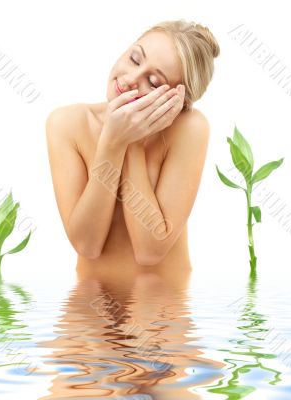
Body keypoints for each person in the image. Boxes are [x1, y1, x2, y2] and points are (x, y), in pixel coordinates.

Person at [45, 19, 220, 274]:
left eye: (153, 81)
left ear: (176, 102)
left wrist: (133, 141)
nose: (130, 79)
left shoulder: (190, 128)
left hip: (162, 304)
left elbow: (149, 251)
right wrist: (113, 143)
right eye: (135, 59)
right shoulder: (66, 124)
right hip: (91, 301)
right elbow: (87, 245)